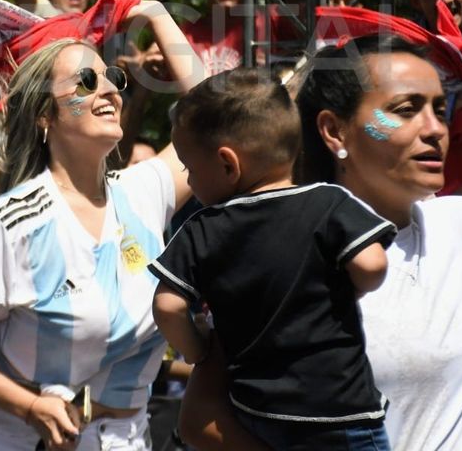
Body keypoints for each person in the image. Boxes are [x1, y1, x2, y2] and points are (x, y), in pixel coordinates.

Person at [180, 33, 462, 450]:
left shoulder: (453, 228)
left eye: (440, 110)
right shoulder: (281, 253)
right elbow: (201, 417)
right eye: (406, 109)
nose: (435, 130)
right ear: (334, 131)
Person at [0, 0, 204, 451]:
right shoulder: (10, 225)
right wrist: (29, 407)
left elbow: (215, 119)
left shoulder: (143, 191)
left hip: (126, 440)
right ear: (44, 116)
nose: (110, 91)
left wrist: (156, 15)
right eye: (86, 82)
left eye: (113, 79)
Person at [151, 70, 395, 450]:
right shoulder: (328, 202)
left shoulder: (202, 228)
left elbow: (167, 306)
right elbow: (372, 265)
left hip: (255, 412)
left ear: (228, 164)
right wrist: (345, 292)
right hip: (342, 410)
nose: (190, 181)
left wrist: (198, 348)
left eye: (190, 169)